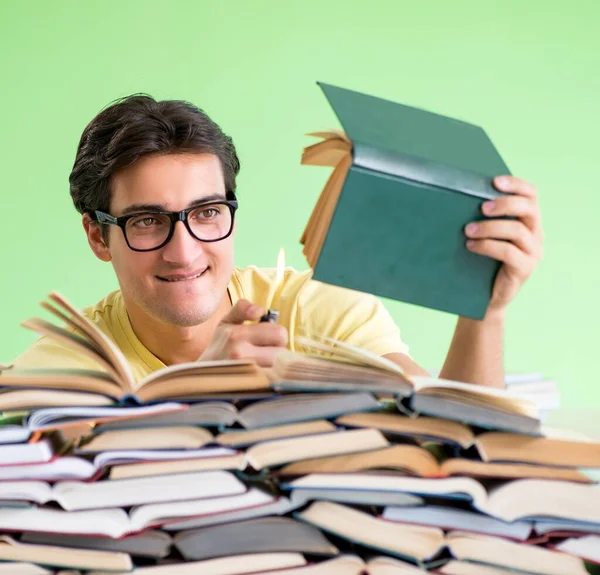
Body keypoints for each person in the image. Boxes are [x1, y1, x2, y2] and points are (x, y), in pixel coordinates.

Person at [12, 95, 543, 389]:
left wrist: (484, 311)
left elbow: (455, 441)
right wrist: (199, 390)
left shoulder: (317, 309)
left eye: (207, 212)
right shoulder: (63, 368)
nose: (185, 250)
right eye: (148, 221)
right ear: (97, 236)